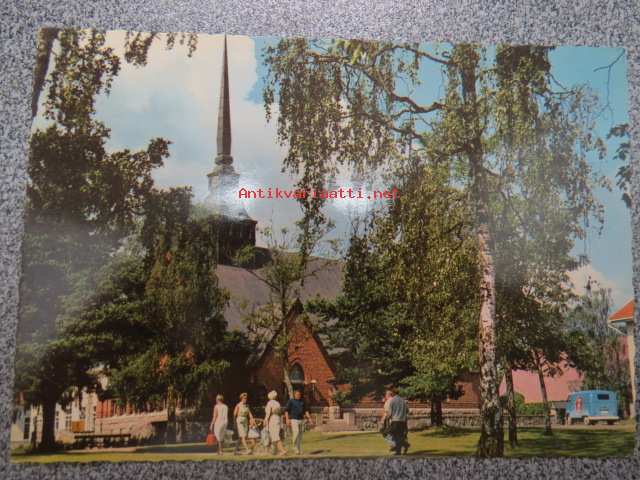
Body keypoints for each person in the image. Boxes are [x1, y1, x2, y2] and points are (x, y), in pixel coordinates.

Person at [381, 388, 409, 455]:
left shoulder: (392, 401)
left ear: (393, 393)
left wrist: (385, 419)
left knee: (385, 433)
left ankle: (396, 445)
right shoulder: (403, 401)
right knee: (398, 436)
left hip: (395, 421)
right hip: (403, 422)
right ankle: (398, 451)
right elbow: (407, 411)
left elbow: (390, 413)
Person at [284, 389, 313, 454]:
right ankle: (294, 447)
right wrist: (287, 419)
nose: (298, 395)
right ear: (294, 395)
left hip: (301, 420)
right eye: (297, 394)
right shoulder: (291, 401)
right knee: (296, 433)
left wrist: (310, 419)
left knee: (300, 435)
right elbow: (286, 411)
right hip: (294, 419)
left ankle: (298, 448)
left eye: (299, 394)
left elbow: (306, 411)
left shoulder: (302, 401)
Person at [264, 390, 287, 456]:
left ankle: (282, 450)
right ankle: (274, 451)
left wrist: (265, 420)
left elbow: (268, 413)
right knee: (274, 435)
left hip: (273, 419)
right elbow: (280, 413)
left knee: (275, 436)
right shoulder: (278, 403)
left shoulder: (269, 403)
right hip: (278, 419)